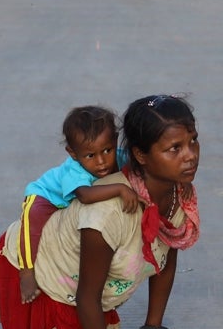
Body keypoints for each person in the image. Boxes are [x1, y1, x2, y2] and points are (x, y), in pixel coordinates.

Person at [0, 95, 201, 329]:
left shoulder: (179, 194)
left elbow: (166, 255)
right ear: (141, 156)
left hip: (78, 280)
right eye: (174, 148)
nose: (189, 155)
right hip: (44, 267)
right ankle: (14, 301)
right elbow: (88, 294)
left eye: (193, 141)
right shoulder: (104, 212)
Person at [13, 105, 135, 304]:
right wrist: (120, 189)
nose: (102, 161)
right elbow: (85, 195)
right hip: (48, 197)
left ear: (115, 140)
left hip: (72, 210)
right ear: (73, 153)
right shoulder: (75, 169)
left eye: (107, 150)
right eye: (90, 155)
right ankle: (26, 271)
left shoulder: (122, 157)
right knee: (31, 223)